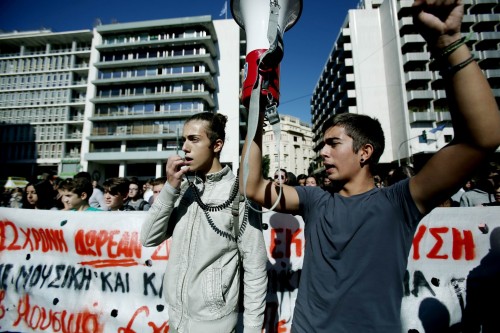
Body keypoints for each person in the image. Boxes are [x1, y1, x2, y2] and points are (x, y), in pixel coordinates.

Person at [239, 1, 500, 332]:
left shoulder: (399, 202)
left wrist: (448, 42)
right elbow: (252, 187)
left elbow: (482, 139)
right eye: (321, 145)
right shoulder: (314, 200)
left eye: (333, 144)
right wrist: (255, 115)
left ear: (365, 152)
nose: (322, 153)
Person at [140, 112, 268, 333]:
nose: (185, 148)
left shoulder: (238, 193)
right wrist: (170, 187)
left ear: (217, 145)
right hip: (176, 318)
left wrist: (253, 329)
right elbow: (148, 238)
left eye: (194, 139)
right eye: (184, 140)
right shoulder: (183, 189)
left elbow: (255, 267)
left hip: (214, 323)